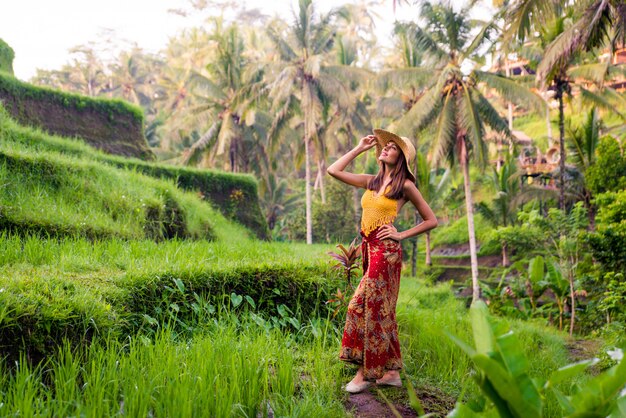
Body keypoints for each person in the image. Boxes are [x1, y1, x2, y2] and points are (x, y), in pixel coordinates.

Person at [326, 129, 438, 393]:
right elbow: (333, 170)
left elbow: (431, 220)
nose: (386, 148)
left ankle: (365, 373)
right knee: (381, 310)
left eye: (393, 147)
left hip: (385, 253)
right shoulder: (372, 182)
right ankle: (391, 372)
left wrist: (401, 234)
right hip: (369, 249)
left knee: (360, 308)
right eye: (385, 146)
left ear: (401, 157)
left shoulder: (405, 187)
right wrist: (359, 148)